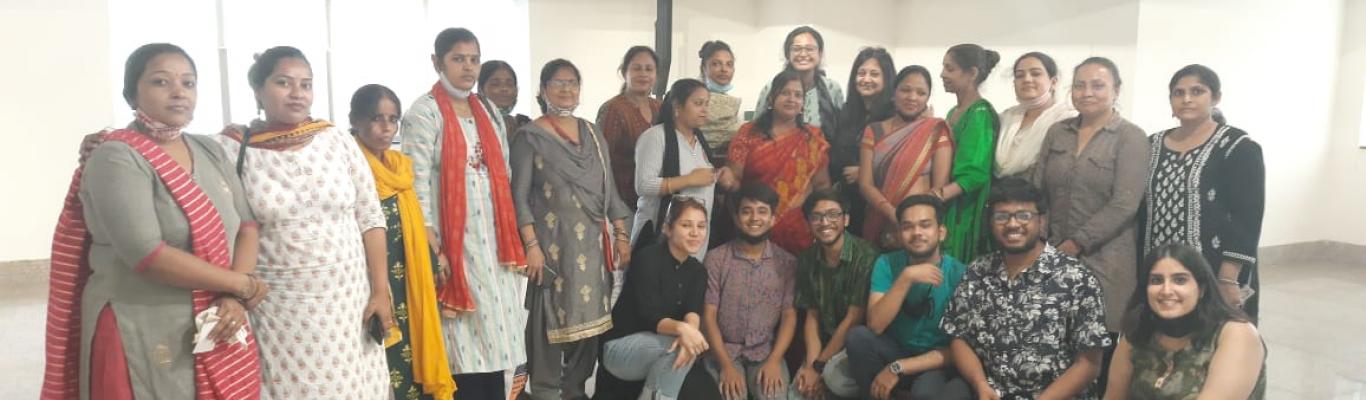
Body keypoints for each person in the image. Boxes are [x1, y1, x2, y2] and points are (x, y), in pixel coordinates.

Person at [45, 43, 267, 400]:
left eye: (188, 83)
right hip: (140, 323)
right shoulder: (115, 156)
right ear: (131, 93)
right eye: (161, 82)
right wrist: (242, 285)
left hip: (217, 316)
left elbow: (247, 227)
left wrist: (234, 297)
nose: (179, 92)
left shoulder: (209, 150)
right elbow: (147, 254)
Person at [215, 45, 393, 398]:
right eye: (283, 82)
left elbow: (371, 217)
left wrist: (379, 291)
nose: (297, 93)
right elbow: (173, 151)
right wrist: (113, 140)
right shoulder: (233, 149)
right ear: (258, 90)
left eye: (306, 84)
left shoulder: (336, 139)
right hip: (281, 309)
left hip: (350, 300)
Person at [399, 28, 529, 399]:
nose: (468, 67)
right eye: (458, 59)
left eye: (474, 60)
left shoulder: (487, 109)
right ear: (437, 62)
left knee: (499, 342)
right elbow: (416, 184)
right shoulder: (424, 113)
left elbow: (503, 172)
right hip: (453, 247)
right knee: (461, 347)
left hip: (494, 245)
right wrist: (432, 246)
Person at [511, 58, 633, 400]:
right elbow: (518, 196)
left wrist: (621, 234)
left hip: (592, 251)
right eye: (558, 82)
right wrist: (531, 246)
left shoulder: (593, 133)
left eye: (572, 83)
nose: (566, 89)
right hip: (551, 250)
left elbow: (610, 190)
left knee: (589, 327)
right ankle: (546, 391)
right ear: (543, 90)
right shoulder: (529, 137)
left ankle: (575, 391)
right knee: (548, 326)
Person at [940, 177, 1111, 399]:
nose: (1012, 224)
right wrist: (980, 384)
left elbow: (1089, 364)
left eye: (1023, 215)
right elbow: (958, 337)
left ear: (1041, 220)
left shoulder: (1076, 279)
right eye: (1002, 216)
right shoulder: (977, 272)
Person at [1032, 57, 1149, 358]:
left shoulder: (1130, 137)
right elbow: (1038, 190)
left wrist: (1076, 243)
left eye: (1098, 85)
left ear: (1116, 90)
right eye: (1080, 85)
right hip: (1053, 254)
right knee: (1052, 342)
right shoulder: (1058, 132)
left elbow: (1125, 203)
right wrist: (1042, 238)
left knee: (1096, 348)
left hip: (1107, 258)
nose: (1087, 93)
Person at [351, 83, 457, 400]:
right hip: (370, 281)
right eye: (376, 118)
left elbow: (413, 221)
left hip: (407, 279)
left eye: (393, 119)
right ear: (354, 120)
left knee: (409, 356)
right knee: (379, 358)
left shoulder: (399, 167)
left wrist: (432, 255)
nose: (386, 128)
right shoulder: (349, 167)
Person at [1140, 64, 1265, 319]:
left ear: (1215, 97)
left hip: (1214, 270)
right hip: (1160, 270)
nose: (1186, 99)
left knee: (1215, 336)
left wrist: (1228, 278)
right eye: (1178, 93)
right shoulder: (1152, 144)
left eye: (1197, 91)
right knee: (1163, 335)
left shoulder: (1237, 146)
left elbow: (1247, 216)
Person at [1103, 244, 1266, 399]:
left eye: (1180, 280)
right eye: (1156, 280)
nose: (1166, 290)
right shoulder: (1138, 333)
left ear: (1201, 289)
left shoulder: (1236, 334)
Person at [849, 195, 971, 399]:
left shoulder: (960, 274)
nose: (916, 233)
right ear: (900, 233)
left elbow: (960, 350)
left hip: (934, 361)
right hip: (896, 348)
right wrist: (905, 278)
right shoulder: (886, 263)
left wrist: (900, 367)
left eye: (925, 225)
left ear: (941, 232)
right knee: (857, 338)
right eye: (907, 227)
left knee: (925, 393)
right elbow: (875, 325)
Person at [598, 197, 712, 400]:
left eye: (701, 226)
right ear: (667, 229)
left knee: (702, 382)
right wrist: (683, 330)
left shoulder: (698, 271)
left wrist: (689, 333)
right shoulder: (647, 258)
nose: (695, 233)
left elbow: (692, 311)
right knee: (676, 350)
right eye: (686, 225)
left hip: (664, 345)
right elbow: (650, 316)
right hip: (619, 347)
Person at [702, 183, 799, 400]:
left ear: (773, 219)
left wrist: (775, 361)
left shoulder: (787, 263)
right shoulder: (716, 259)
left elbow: (789, 316)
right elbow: (708, 316)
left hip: (765, 352)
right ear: (736, 218)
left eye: (762, 211)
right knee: (731, 396)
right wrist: (726, 366)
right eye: (747, 211)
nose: (754, 218)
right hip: (723, 351)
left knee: (774, 396)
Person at [724, 70, 832, 253]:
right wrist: (725, 181)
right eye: (785, 93)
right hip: (754, 224)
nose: (792, 99)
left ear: (803, 103)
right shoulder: (748, 133)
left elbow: (822, 185)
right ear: (771, 99)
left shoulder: (813, 138)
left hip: (799, 230)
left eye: (798, 95)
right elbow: (733, 181)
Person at [792, 189, 881, 399]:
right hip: (823, 344)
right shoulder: (806, 259)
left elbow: (853, 319)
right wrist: (812, 365)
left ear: (846, 219)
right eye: (816, 217)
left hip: (856, 345)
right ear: (809, 223)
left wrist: (819, 366)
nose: (825, 222)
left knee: (834, 379)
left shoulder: (866, 256)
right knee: (797, 392)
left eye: (833, 214)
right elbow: (812, 317)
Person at [631, 78, 730, 259]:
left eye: (706, 104)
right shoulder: (655, 137)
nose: (704, 110)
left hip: (696, 237)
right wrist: (688, 180)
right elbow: (643, 185)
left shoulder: (700, 140)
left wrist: (718, 176)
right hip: (662, 235)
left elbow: (702, 178)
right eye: (698, 103)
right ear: (677, 106)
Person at [858, 66, 953, 248]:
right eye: (905, 90)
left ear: (927, 99)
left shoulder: (936, 131)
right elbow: (865, 184)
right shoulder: (873, 131)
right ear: (894, 93)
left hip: (920, 228)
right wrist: (893, 215)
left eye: (921, 93)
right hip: (880, 222)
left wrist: (912, 219)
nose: (912, 97)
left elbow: (940, 187)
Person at [930, 44, 1000, 264]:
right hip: (948, 203)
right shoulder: (954, 111)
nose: (942, 74)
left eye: (950, 69)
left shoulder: (980, 113)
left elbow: (975, 173)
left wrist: (933, 198)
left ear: (972, 73)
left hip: (963, 210)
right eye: (943, 67)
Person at [833, 47, 895, 238]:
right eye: (861, 73)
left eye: (874, 74)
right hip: (847, 201)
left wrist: (865, 172)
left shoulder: (895, 116)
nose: (866, 79)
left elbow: (901, 159)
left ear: (887, 79)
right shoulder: (846, 111)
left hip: (879, 202)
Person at [597, 46, 662, 209]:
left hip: (656, 200)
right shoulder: (613, 109)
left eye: (649, 69)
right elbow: (602, 161)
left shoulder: (660, 107)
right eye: (637, 68)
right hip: (622, 202)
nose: (643, 74)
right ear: (624, 72)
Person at [994, 52, 1078, 179]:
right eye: (1020, 75)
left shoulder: (1067, 119)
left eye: (1035, 74)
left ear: (1053, 82)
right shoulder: (1006, 118)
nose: (1027, 79)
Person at [753, 26, 844, 131]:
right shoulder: (772, 87)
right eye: (796, 49)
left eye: (810, 49)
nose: (803, 54)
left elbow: (842, 130)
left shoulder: (832, 88)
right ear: (788, 54)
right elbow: (755, 130)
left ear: (819, 54)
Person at [697, 40, 742, 163]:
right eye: (716, 64)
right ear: (704, 68)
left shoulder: (731, 103)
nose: (724, 69)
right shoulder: (692, 99)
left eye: (729, 64)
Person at [480, 60, 533, 138]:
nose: (504, 89)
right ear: (481, 89)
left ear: (516, 90)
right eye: (495, 84)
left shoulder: (526, 127)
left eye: (509, 84)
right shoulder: (470, 125)